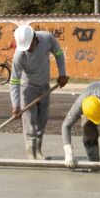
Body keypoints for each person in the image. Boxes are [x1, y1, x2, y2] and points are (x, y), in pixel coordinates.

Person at [10, 25, 69, 159]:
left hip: (44, 86)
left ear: (35, 38)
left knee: (42, 119)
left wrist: (62, 74)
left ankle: (38, 151)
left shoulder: (47, 38)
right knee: (30, 120)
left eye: (30, 46)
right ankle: (31, 153)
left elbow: (59, 53)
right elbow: (14, 81)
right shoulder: (19, 55)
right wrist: (16, 105)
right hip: (27, 87)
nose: (28, 50)